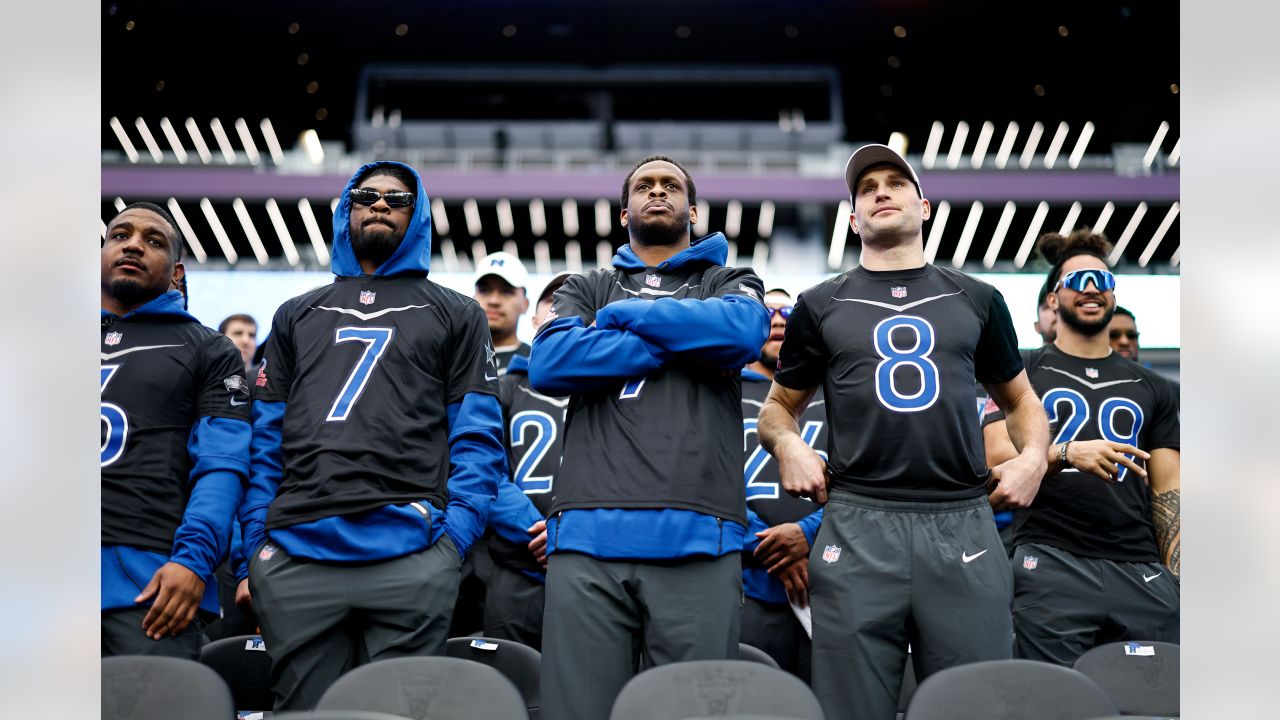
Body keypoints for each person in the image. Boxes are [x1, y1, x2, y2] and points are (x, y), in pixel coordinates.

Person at [758, 144, 1050, 720]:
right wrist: (788, 443)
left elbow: (1021, 401)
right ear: (852, 218)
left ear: (925, 205)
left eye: (895, 183)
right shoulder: (820, 305)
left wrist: (1033, 458)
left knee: (977, 703)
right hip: (858, 520)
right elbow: (776, 409)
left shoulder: (979, 298)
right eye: (867, 189)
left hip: (962, 518)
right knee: (851, 706)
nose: (881, 193)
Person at [241, 161, 505, 711]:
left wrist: (452, 540)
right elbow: (265, 441)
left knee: (396, 714)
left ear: (419, 215)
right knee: (303, 713)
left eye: (398, 198)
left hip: (411, 550)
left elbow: (478, 440)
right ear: (346, 210)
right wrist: (256, 548)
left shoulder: (457, 312)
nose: (380, 204)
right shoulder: (295, 315)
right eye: (366, 195)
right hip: (296, 550)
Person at [529, 155, 769, 720]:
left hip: (698, 529)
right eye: (644, 185)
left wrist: (620, 319)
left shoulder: (729, 280)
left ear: (692, 208)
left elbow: (740, 334)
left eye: (671, 185)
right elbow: (553, 362)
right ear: (623, 211)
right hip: (587, 531)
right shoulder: (588, 285)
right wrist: (685, 335)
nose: (657, 191)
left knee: (688, 711)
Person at [983, 229, 1180, 667]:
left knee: (1152, 702)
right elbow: (995, 462)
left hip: (1140, 566)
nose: (1091, 289)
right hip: (1052, 560)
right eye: (1076, 281)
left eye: (1102, 281)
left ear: (1113, 294)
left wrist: (1177, 578)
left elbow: (1169, 493)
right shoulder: (1020, 371)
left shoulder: (1156, 387)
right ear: (1053, 299)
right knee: (1057, 702)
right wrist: (1068, 453)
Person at [101, 202, 251, 658]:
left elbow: (222, 466)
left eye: (153, 241)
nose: (133, 244)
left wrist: (193, 560)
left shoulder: (209, 348)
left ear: (176, 274)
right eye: (120, 235)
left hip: (147, 585)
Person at [483, 271, 574, 649]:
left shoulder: (613, 394)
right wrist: (535, 529)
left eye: (573, 312)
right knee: (507, 690)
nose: (558, 316)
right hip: (515, 567)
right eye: (550, 309)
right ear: (533, 321)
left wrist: (570, 532)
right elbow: (482, 468)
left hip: (587, 567)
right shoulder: (503, 388)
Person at [740, 288, 824, 681]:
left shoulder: (835, 391)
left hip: (829, 577)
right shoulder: (721, 390)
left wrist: (808, 533)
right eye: (766, 311)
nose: (777, 319)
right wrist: (770, 546)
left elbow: (869, 475)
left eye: (788, 310)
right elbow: (698, 480)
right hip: (747, 583)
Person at [475, 251, 531, 373]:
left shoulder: (538, 364)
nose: (493, 301)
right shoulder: (450, 359)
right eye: (484, 290)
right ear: (473, 298)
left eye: (506, 291)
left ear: (525, 304)